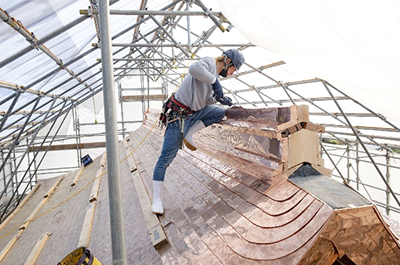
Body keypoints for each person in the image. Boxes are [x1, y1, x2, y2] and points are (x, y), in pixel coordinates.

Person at [152, 49, 245, 214]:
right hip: (178, 118)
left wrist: (218, 99)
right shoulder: (209, 63)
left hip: (193, 114)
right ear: (228, 61)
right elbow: (193, 69)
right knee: (165, 159)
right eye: (233, 69)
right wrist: (215, 83)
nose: (231, 74)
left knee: (219, 112)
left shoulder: (213, 77)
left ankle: (190, 133)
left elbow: (203, 101)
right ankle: (156, 199)